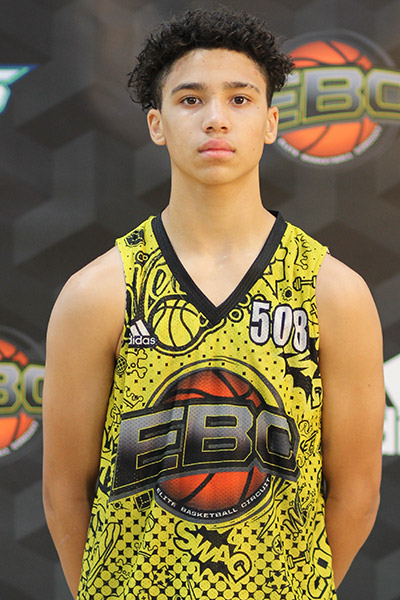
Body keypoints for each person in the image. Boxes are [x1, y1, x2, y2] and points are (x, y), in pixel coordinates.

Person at [42, 8, 385, 600]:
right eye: (191, 99)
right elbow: (64, 492)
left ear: (271, 121)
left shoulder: (333, 292)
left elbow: (357, 492)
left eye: (240, 99)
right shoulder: (98, 292)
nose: (216, 118)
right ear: (157, 124)